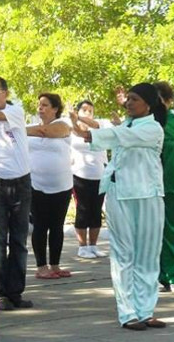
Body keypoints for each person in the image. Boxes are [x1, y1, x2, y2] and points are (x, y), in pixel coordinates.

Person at [70, 83, 167, 331]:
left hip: (148, 196)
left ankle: (146, 311)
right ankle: (128, 313)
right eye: (128, 99)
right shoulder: (126, 125)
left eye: (134, 99)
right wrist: (81, 129)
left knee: (148, 254)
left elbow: (116, 137)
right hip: (120, 194)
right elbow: (111, 136)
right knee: (123, 255)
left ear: (148, 103)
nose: (129, 103)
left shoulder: (153, 128)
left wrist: (84, 130)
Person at [0, 76, 33, 311]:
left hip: (21, 182)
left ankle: (15, 292)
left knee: (19, 241)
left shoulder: (15, 111)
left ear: (5, 93)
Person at [26, 93, 73, 279]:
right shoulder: (30, 128)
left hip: (62, 185)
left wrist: (17, 129)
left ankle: (55, 265)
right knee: (40, 225)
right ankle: (41, 267)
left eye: (45, 105)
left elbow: (48, 132)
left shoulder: (62, 125)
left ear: (55, 109)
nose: (40, 108)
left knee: (56, 226)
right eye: (39, 104)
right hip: (36, 184)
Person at [153, 82, 174, 293]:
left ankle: (170, 276)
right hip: (149, 184)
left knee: (172, 230)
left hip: (173, 182)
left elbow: (165, 137)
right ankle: (154, 275)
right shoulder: (139, 122)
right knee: (151, 231)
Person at [70, 100, 110, 259]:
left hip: (99, 175)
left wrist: (81, 119)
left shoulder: (100, 126)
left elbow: (94, 126)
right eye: (84, 110)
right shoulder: (72, 130)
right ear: (78, 111)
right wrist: (75, 120)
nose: (87, 113)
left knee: (96, 211)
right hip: (80, 175)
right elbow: (76, 132)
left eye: (90, 110)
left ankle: (93, 246)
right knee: (83, 210)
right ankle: (82, 246)